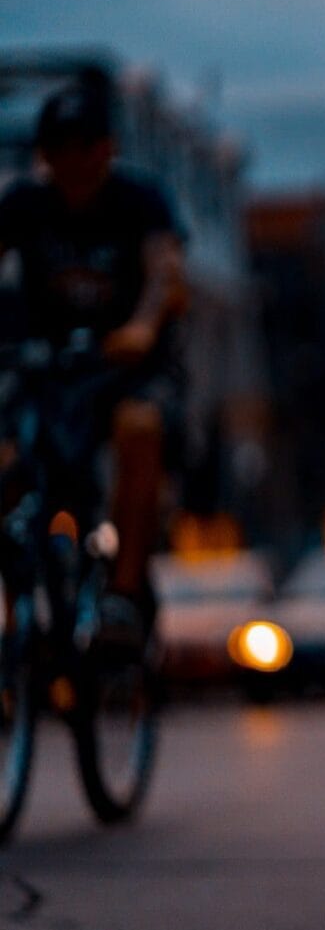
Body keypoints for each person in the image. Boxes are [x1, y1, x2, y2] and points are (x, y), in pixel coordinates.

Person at [0, 77, 189, 632]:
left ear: (106, 151)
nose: (72, 166)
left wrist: (143, 327)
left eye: (83, 150)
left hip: (125, 368)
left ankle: (123, 593)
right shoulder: (25, 204)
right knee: (9, 465)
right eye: (58, 153)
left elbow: (166, 273)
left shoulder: (141, 200)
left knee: (140, 428)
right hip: (47, 369)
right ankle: (21, 625)